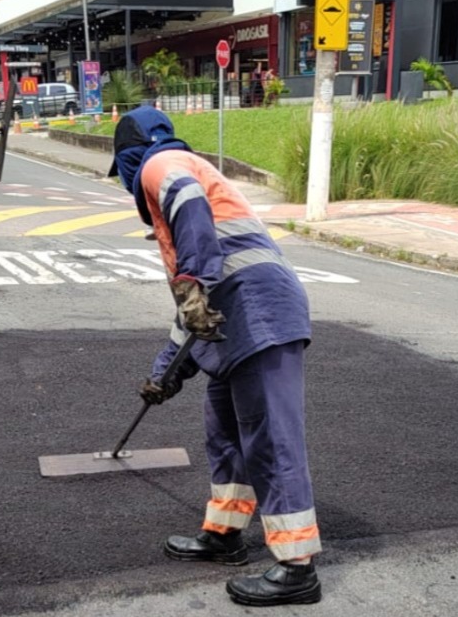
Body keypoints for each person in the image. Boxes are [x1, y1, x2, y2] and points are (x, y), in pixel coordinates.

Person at [108, 106, 322, 607]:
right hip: (235, 317)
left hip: (261, 312)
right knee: (225, 431)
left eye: (120, 172)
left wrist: (193, 279)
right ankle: (225, 534)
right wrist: (166, 374)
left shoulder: (162, 167)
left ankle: (297, 567)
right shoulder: (178, 179)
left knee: (270, 437)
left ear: (127, 159)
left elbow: (193, 237)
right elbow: (192, 318)